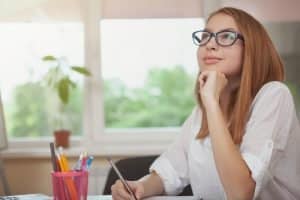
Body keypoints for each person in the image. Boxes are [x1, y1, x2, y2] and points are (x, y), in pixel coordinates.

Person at [111, 7, 300, 200]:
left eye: (226, 36)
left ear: (252, 48)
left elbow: (241, 193)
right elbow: (171, 170)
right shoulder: (202, 113)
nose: (210, 44)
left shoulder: (274, 96)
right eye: (205, 36)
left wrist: (211, 101)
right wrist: (140, 186)